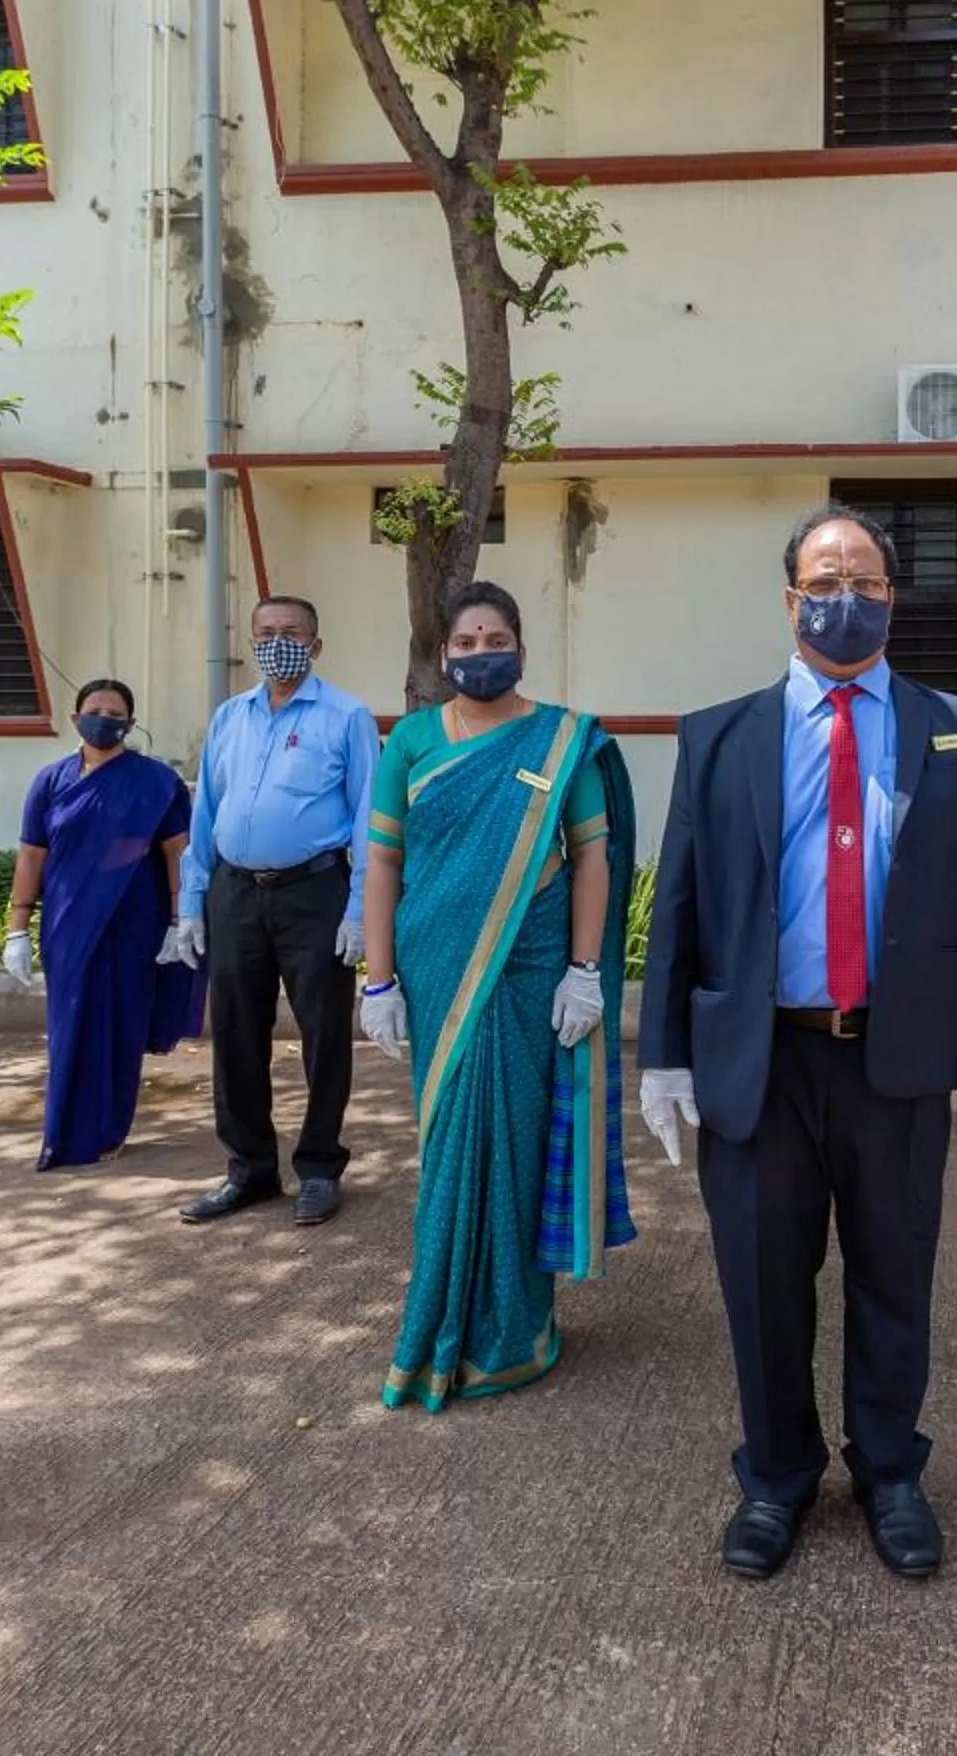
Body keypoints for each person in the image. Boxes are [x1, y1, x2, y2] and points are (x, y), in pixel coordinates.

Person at [639, 503, 957, 1583]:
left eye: (864, 575)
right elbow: (678, 900)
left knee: (894, 1272)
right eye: (825, 577)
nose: (844, 593)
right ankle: (775, 1474)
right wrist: (662, 1050)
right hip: (759, 1062)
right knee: (763, 1280)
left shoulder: (949, 724)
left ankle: (892, 1470)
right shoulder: (718, 734)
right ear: (789, 599)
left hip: (896, 1057)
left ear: (892, 596)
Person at [357, 582, 638, 1408]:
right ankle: (438, 1321)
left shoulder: (561, 740)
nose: (482, 654)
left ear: (521, 645)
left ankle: (515, 1330)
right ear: (445, 655)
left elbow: (593, 856)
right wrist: (377, 979)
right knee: (449, 1145)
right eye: (468, 642)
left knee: (512, 1142)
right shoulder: (409, 740)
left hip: (530, 969)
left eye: (496, 638)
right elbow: (381, 861)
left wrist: (585, 972)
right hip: (439, 968)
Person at [166, 594, 384, 1228]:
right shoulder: (230, 716)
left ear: (315, 645)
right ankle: (250, 1169)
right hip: (235, 892)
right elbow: (204, 811)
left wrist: (357, 912)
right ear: (252, 642)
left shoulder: (347, 717)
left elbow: (369, 818)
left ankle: (318, 1168)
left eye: (290, 632)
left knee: (324, 1034)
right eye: (265, 633)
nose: (276, 643)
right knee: (233, 1031)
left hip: (313, 892)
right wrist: (192, 903)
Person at [3, 679, 204, 1169]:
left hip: (133, 924)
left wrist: (180, 918)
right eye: (95, 710)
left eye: (115, 714)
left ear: (130, 725)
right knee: (70, 1025)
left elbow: (178, 851)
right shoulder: (50, 782)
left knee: (119, 1025)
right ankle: (65, 1132)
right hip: (68, 926)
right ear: (75, 719)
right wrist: (16, 929)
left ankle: (109, 1128)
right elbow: (32, 856)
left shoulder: (156, 783)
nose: (105, 720)